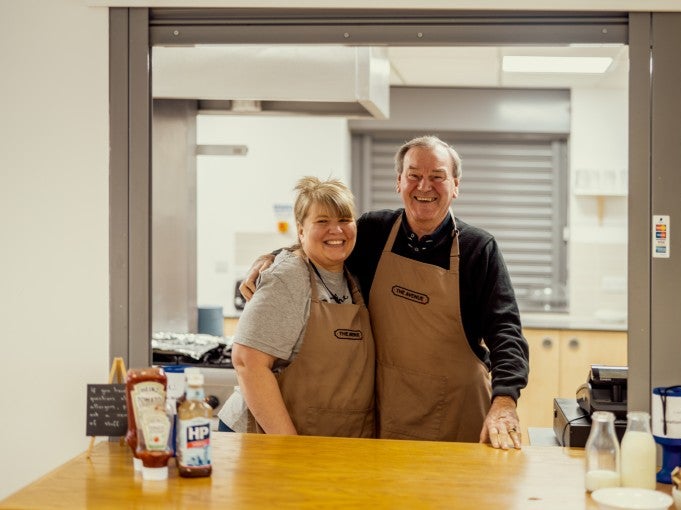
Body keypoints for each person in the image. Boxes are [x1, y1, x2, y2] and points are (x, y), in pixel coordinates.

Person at [242, 136, 528, 449]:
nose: (424, 186)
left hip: (459, 417)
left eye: (437, 177)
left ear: (455, 185)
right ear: (399, 182)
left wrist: (504, 401)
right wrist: (274, 255)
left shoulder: (478, 249)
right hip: (391, 416)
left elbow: (506, 333)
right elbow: (328, 240)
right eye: (414, 176)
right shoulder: (374, 233)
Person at [217, 176, 375, 438]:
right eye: (322, 221)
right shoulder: (288, 276)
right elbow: (247, 362)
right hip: (268, 439)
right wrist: (288, 445)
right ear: (301, 231)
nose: (336, 231)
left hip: (323, 437)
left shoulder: (352, 275)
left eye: (344, 220)